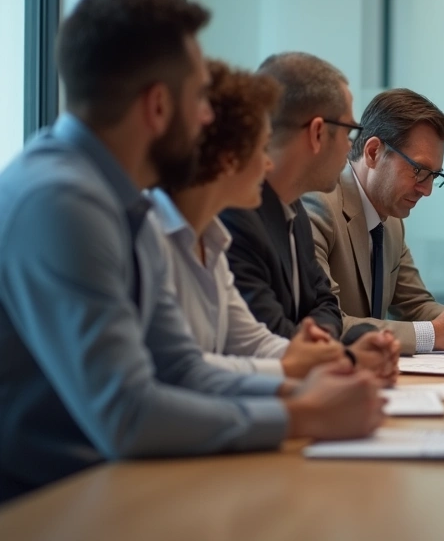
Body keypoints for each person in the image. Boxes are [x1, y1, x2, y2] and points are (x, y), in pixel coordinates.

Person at [0, 0, 383, 503]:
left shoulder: (122, 201)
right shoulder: (64, 201)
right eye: (201, 98)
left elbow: (180, 368)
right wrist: (301, 413)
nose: (210, 121)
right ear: (158, 105)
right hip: (48, 502)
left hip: (112, 485)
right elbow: (126, 413)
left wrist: (302, 391)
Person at [150, 59, 398, 383]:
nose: (268, 161)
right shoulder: (160, 234)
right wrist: (313, 385)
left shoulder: (214, 235)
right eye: (261, 144)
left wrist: (341, 358)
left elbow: (256, 341)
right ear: (228, 156)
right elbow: (184, 372)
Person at [221, 52, 396, 359]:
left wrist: (322, 342)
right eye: (348, 132)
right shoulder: (235, 216)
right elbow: (269, 336)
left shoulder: (295, 208)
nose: (348, 146)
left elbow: (326, 302)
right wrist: (338, 355)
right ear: (317, 133)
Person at [304, 89, 444, 354]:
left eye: (434, 176)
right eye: (419, 171)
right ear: (373, 152)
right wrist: (437, 333)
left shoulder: (390, 220)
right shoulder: (319, 204)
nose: (427, 190)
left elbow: (414, 304)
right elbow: (326, 324)